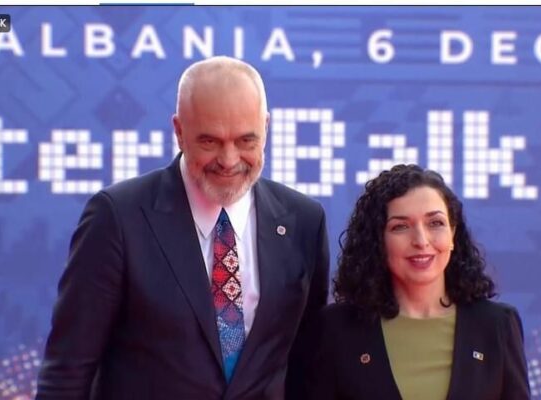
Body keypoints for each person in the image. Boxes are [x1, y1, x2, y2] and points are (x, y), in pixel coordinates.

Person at [36, 56, 329, 399]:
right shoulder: (118, 218)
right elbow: (67, 372)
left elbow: (309, 364)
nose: (229, 160)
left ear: (266, 127)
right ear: (179, 131)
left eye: (246, 141)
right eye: (210, 142)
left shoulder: (303, 222)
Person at [307, 164, 530, 400]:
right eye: (400, 227)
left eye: (435, 223)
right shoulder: (337, 329)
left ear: (453, 234)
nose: (421, 241)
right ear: (378, 241)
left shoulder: (497, 325)